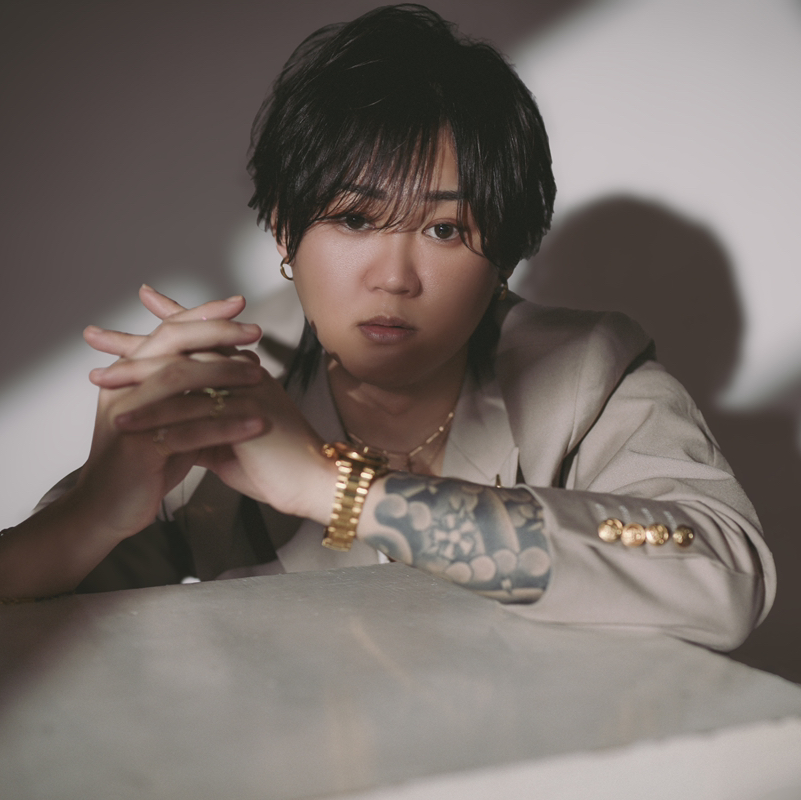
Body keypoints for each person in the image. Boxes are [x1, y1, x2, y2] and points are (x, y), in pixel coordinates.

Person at [0, 5, 773, 650]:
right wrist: (92, 513)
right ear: (283, 229)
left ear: (504, 254)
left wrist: (336, 487)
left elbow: (724, 575)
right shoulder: (221, 383)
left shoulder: (587, 372)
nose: (394, 277)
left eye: (444, 230)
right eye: (354, 219)